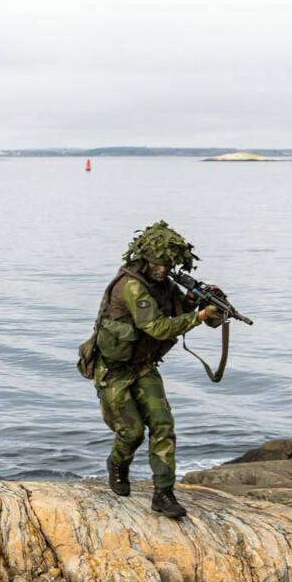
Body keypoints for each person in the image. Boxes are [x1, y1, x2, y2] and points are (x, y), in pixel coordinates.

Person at [91, 221, 226, 518]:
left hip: (143, 367)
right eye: (158, 263)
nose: (164, 269)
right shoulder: (132, 285)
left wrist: (195, 300)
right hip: (114, 370)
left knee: (164, 425)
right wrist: (201, 315)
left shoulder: (163, 284)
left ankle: (163, 493)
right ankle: (117, 464)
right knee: (132, 432)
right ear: (143, 258)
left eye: (169, 263)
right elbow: (157, 326)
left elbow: (176, 311)